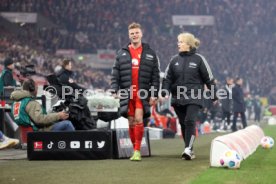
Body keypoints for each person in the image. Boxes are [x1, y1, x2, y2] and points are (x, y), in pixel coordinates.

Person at [162, 32, 217, 160]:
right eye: (178, 42)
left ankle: (188, 149)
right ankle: (189, 148)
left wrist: (214, 95)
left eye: (181, 42)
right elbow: (167, 78)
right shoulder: (174, 60)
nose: (178, 44)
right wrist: (165, 91)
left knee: (190, 121)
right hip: (177, 97)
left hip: (194, 96)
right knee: (183, 123)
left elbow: (209, 78)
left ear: (189, 44)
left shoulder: (199, 59)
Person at [111, 22, 160, 161]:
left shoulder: (150, 53)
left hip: (142, 93)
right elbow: (115, 73)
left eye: (137, 32)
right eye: (132, 33)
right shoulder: (122, 53)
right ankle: (135, 149)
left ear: (141, 34)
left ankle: (137, 151)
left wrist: (154, 94)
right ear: (129, 35)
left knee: (139, 118)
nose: (134, 35)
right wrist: (114, 89)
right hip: (127, 93)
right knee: (131, 121)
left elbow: (155, 76)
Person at [10, 78, 75, 132]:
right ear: (32, 88)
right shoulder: (31, 103)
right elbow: (39, 119)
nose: (37, 90)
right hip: (40, 131)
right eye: (37, 88)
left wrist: (56, 115)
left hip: (29, 131)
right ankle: (74, 145)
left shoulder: (17, 102)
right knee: (67, 124)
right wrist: (58, 115)